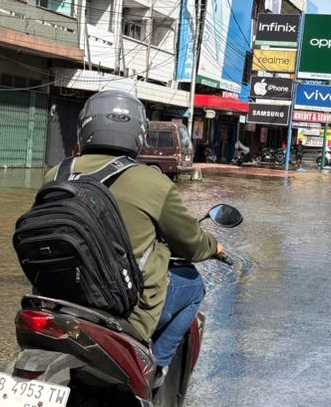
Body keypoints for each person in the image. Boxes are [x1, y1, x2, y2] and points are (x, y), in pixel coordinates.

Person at [45, 91, 222, 381]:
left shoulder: (56, 173)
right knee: (193, 286)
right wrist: (214, 247)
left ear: (84, 128)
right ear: (138, 134)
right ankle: (156, 369)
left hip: (57, 299)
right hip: (120, 306)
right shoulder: (153, 182)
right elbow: (191, 244)